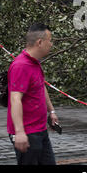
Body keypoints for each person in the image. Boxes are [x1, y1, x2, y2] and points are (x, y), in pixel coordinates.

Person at [7, 23, 59, 165]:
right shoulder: (21, 66)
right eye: (50, 40)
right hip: (27, 133)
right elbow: (15, 99)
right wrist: (19, 132)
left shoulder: (35, 63)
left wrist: (51, 110)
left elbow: (41, 87)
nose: (51, 44)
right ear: (40, 42)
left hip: (40, 129)